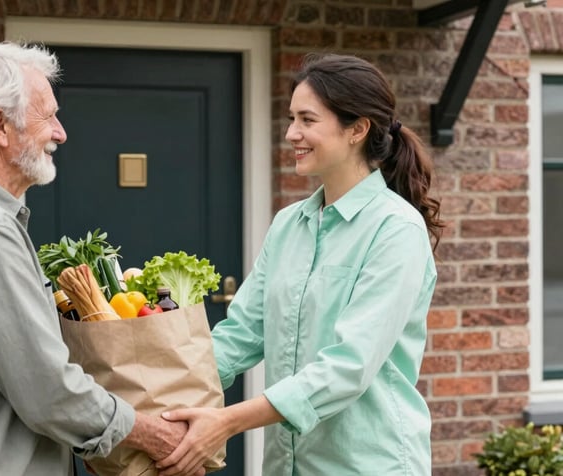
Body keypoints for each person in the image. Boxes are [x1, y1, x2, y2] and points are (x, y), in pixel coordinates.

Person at [0, 42, 201, 476]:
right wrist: (154, 436)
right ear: (0, 126)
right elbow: (48, 391)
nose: (60, 132)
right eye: (48, 115)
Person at [156, 53, 445, 476]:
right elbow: (239, 335)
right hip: (284, 465)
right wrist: (157, 394)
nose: (292, 133)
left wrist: (225, 423)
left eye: (308, 120)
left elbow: (349, 366)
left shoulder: (396, 230)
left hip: (368, 465)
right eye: (292, 119)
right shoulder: (290, 224)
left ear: (357, 130)